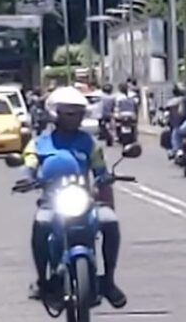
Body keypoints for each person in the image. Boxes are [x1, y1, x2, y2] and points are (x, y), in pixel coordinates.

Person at [16, 87, 126, 309]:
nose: (74, 118)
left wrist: (105, 178)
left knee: (110, 221)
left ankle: (108, 280)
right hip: (51, 202)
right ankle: (43, 281)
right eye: (68, 113)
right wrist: (27, 178)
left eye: (77, 113)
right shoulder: (39, 143)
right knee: (41, 225)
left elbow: (99, 168)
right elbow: (29, 164)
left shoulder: (89, 143)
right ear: (55, 114)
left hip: (83, 201)